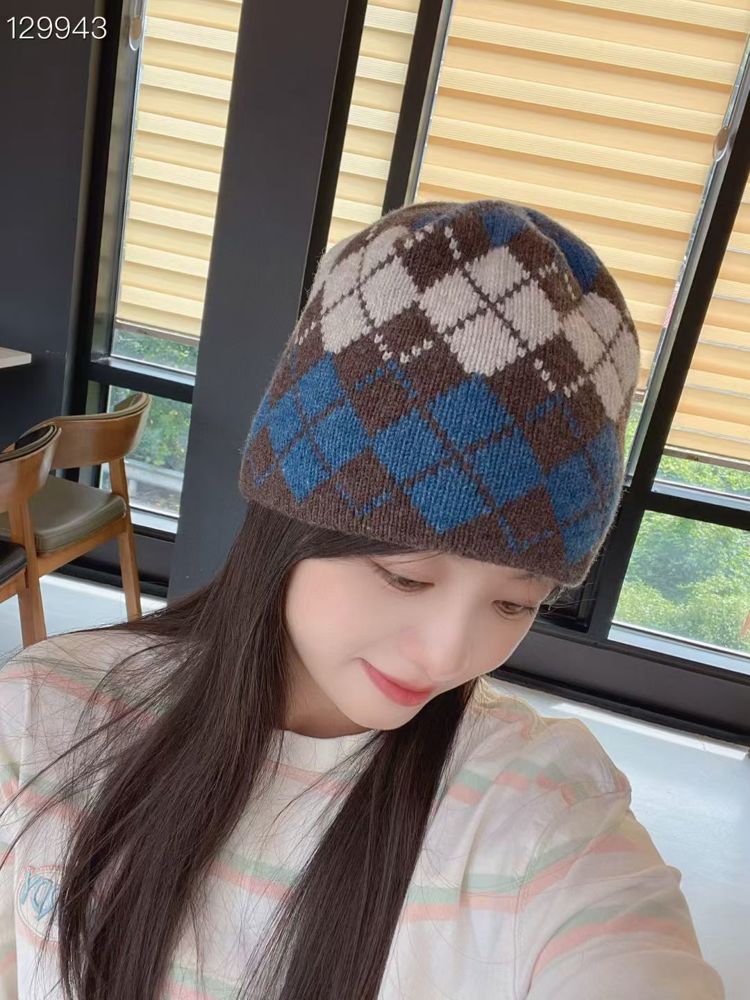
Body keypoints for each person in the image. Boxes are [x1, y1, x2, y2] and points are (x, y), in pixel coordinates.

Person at [0, 198, 725, 1000]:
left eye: (515, 604)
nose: (449, 654)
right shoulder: (40, 713)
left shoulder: (540, 808)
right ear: (291, 527)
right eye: (405, 577)